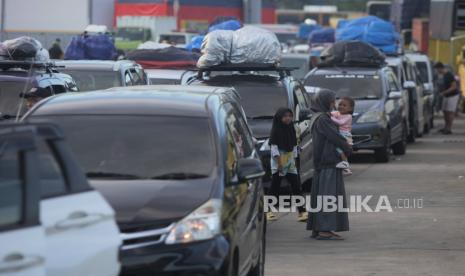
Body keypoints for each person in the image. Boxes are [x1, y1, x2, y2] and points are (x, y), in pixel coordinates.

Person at [306, 89, 352, 240]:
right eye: (332, 101)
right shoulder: (324, 119)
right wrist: (347, 147)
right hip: (328, 161)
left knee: (322, 195)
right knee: (329, 196)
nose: (334, 104)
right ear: (325, 102)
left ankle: (318, 228)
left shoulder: (317, 117)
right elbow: (335, 137)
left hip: (322, 161)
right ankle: (325, 229)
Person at [267, 107, 307, 222]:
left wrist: (296, 156)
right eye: (285, 116)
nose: (288, 118)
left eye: (290, 116)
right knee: (274, 188)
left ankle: (302, 212)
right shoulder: (275, 130)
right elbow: (274, 149)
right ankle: (268, 211)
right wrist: (279, 164)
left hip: (289, 162)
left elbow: (294, 144)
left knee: (296, 186)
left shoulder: (291, 128)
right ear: (280, 118)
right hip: (279, 162)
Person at [331, 97, 355, 176]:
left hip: (345, 136)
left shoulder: (348, 116)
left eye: (344, 105)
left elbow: (340, 123)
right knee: (338, 150)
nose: (341, 106)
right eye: (340, 104)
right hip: (339, 134)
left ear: (350, 108)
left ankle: (345, 166)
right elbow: (329, 113)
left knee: (339, 150)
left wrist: (330, 118)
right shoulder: (337, 113)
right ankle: (344, 166)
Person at [434, 62, 460, 134]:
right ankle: (446, 127)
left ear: (440, 68)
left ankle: (449, 128)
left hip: (453, 96)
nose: (437, 71)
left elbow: (454, 87)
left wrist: (444, 92)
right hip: (446, 96)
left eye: (437, 69)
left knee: (450, 112)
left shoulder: (449, 75)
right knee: (445, 111)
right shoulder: (443, 75)